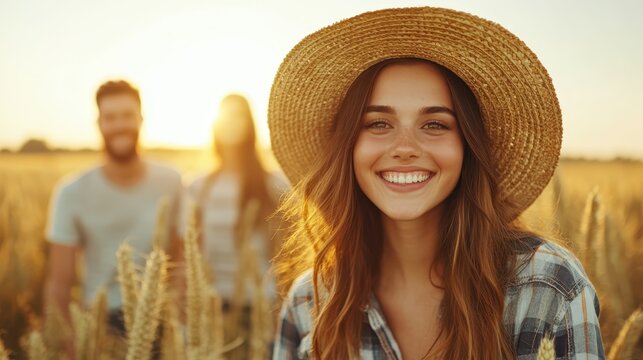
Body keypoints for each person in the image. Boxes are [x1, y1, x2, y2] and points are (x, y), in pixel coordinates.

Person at [268, 7, 605, 360]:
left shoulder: (547, 287)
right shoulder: (309, 303)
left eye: (435, 125)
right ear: (348, 147)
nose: (405, 149)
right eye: (379, 124)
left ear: (467, 147)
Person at [44, 80, 182, 354]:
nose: (120, 125)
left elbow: (182, 260)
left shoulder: (172, 181)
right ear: (99, 123)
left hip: (161, 321)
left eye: (127, 115)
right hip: (99, 326)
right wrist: (71, 343)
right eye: (110, 117)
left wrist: (182, 325)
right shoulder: (71, 192)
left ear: (141, 119)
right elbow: (59, 281)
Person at [183, 94, 288, 355]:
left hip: (260, 312)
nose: (230, 123)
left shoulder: (273, 186)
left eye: (238, 116)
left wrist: (280, 313)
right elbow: (190, 255)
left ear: (249, 125)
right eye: (225, 116)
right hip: (213, 311)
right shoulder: (198, 187)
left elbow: (286, 257)